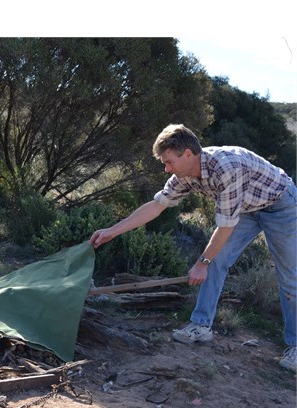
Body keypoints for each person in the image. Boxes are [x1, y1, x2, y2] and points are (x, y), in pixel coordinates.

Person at [89, 123, 297, 372]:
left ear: (188, 154)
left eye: (168, 162)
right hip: (246, 208)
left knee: (289, 276)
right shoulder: (184, 175)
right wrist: (112, 231)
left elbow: (225, 227)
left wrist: (201, 262)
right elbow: (157, 206)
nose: (166, 169)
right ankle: (201, 326)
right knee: (216, 261)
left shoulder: (226, 168)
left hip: (280, 205)